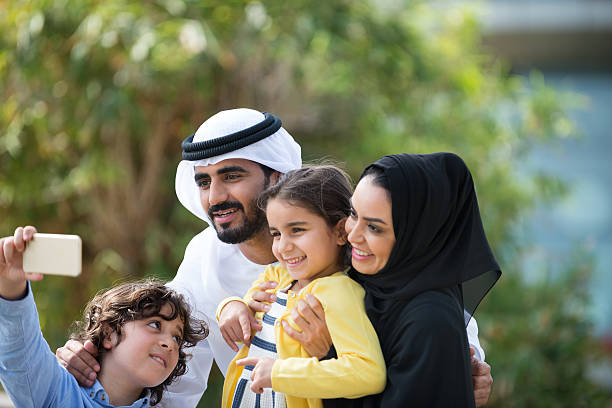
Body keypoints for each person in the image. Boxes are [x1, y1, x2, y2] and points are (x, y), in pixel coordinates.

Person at [56, 108, 494, 406]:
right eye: (204, 181)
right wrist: (89, 364)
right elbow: (169, 375)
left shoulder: (345, 251)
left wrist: (462, 367)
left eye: (231, 176)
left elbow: (424, 308)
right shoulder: (204, 256)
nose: (215, 196)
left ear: (277, 177)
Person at [341, 153, 502, 407]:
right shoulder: (365, 283)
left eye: (374, 228)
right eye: (353, 213)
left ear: (415, 236)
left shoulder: (430, 321)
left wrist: (325, 354)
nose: (353, 235)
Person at [218, 165, 385, 408]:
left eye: (297, 230)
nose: (283, 247)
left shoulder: (339, 293)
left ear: (340, 231)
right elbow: (247, 304)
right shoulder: (278, 275)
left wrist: (280, 374)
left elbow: (368, 372)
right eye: (276, 233)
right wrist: (231, 306)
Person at [0, 226, 208, 407]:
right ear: (109, 333)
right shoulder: (57, 392)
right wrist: (11, 282)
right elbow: (19, 349)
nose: (170, 344)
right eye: (155, 324)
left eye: (177, 338)